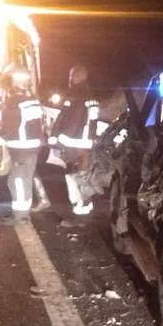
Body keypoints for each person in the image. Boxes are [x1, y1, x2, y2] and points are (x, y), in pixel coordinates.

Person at [49, 64, 100, 215]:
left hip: (74, 141)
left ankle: (82, 205)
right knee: (82, 172)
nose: (69, 79)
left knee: (74, 173)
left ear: (76, 77)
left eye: (71, 76)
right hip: (86, 142)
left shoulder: (76, 95)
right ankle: (85, 203)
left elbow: (72, 120)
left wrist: (59, 137)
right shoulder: (92, 96)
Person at [0, 66, 47, 225]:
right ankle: (23, 213)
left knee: (17, 181)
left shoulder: (14, 101)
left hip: (20, 147)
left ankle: (20, 216)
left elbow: (10, 126)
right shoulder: (32, 100)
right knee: (24, 180)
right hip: (32, 147)